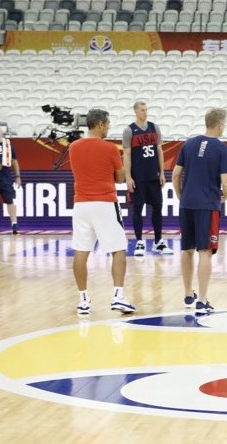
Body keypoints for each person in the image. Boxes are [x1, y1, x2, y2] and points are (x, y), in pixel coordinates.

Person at [68, 108, 135, 315]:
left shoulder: (73, 147)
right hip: (105, 202)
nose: (108, 127)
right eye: (107, 124)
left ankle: (83, 300)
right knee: (119, 249)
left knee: (81, 251)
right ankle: (118, 296)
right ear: (99, 124)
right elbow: (119, 178)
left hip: (81, 204)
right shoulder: (110, 149)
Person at [172, 107, 227, 316]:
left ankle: (188, 293)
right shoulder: (222, 149)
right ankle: (202, 300)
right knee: (205, 252)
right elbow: (226, 182)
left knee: (186, 250)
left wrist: (181, 196)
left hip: (187, 204)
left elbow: (175, 174)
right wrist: (224, 197)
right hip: (207, 205)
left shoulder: (188, 144)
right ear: (220, 124)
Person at [123, 101, 172, 257]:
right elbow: (127, 155)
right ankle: (139, 241)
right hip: (138, 177)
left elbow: (159, 151)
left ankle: (158, 241)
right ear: (136, 111)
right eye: (142, 110)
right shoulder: (129, 130)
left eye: (146, 110)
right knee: (138, 208)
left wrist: (162, 172)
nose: (145, 112)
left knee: (158, 207)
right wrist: (128, 177)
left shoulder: (154, 127)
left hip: (153, 176)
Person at [0, 125, 21, 235]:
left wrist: (17, 176)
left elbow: (14, 161)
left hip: (5, 177)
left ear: (1, 133)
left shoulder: (8, 144)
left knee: (10, 201)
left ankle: (14, 223)